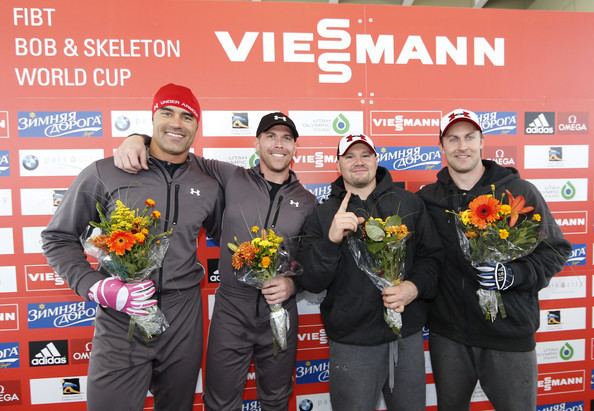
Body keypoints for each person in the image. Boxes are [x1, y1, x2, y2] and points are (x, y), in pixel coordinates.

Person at [113, 112, 316, 411]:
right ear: (256, 143)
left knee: (276, 399)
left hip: (280, 314)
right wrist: (137, 139)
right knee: (220, 403)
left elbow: (314, 261)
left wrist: (292, 283)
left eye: (287, 138)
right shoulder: (230, 177)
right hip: (232, 311)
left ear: (295, 147)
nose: (278, 144)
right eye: (270, 136)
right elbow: (178, 151)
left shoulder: (309, 202)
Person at [41, 83, 224, 411]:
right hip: (121, 313)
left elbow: (232, 231)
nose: (176, 123)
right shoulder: (107, 171)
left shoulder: (207, 180)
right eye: (167, 113)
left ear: (198, 126)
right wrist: (96, 287)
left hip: (183, 316)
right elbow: (58, 237)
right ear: (153, 117)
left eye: (187, 117)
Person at [417, 108, 571, 411]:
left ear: (482, 142)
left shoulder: (519, 191)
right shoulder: (428, 200)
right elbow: (423, 259)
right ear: (441, 147)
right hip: (450, 336)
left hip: (509, 334)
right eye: (453, 139)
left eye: (470, 137)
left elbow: (556, 250)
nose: (462, 146)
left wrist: (515, 275)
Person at [296, 134, 442, 411]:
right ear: (338, 164)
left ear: (376, 159)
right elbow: (311, 282)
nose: (358, 161)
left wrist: (414, 287)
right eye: (349, 156)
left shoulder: (408, 204)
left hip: (405, 337)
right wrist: (331, 242)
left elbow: (432, 259)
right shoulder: (323, 213)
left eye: (365, 154)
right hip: (353, 343)